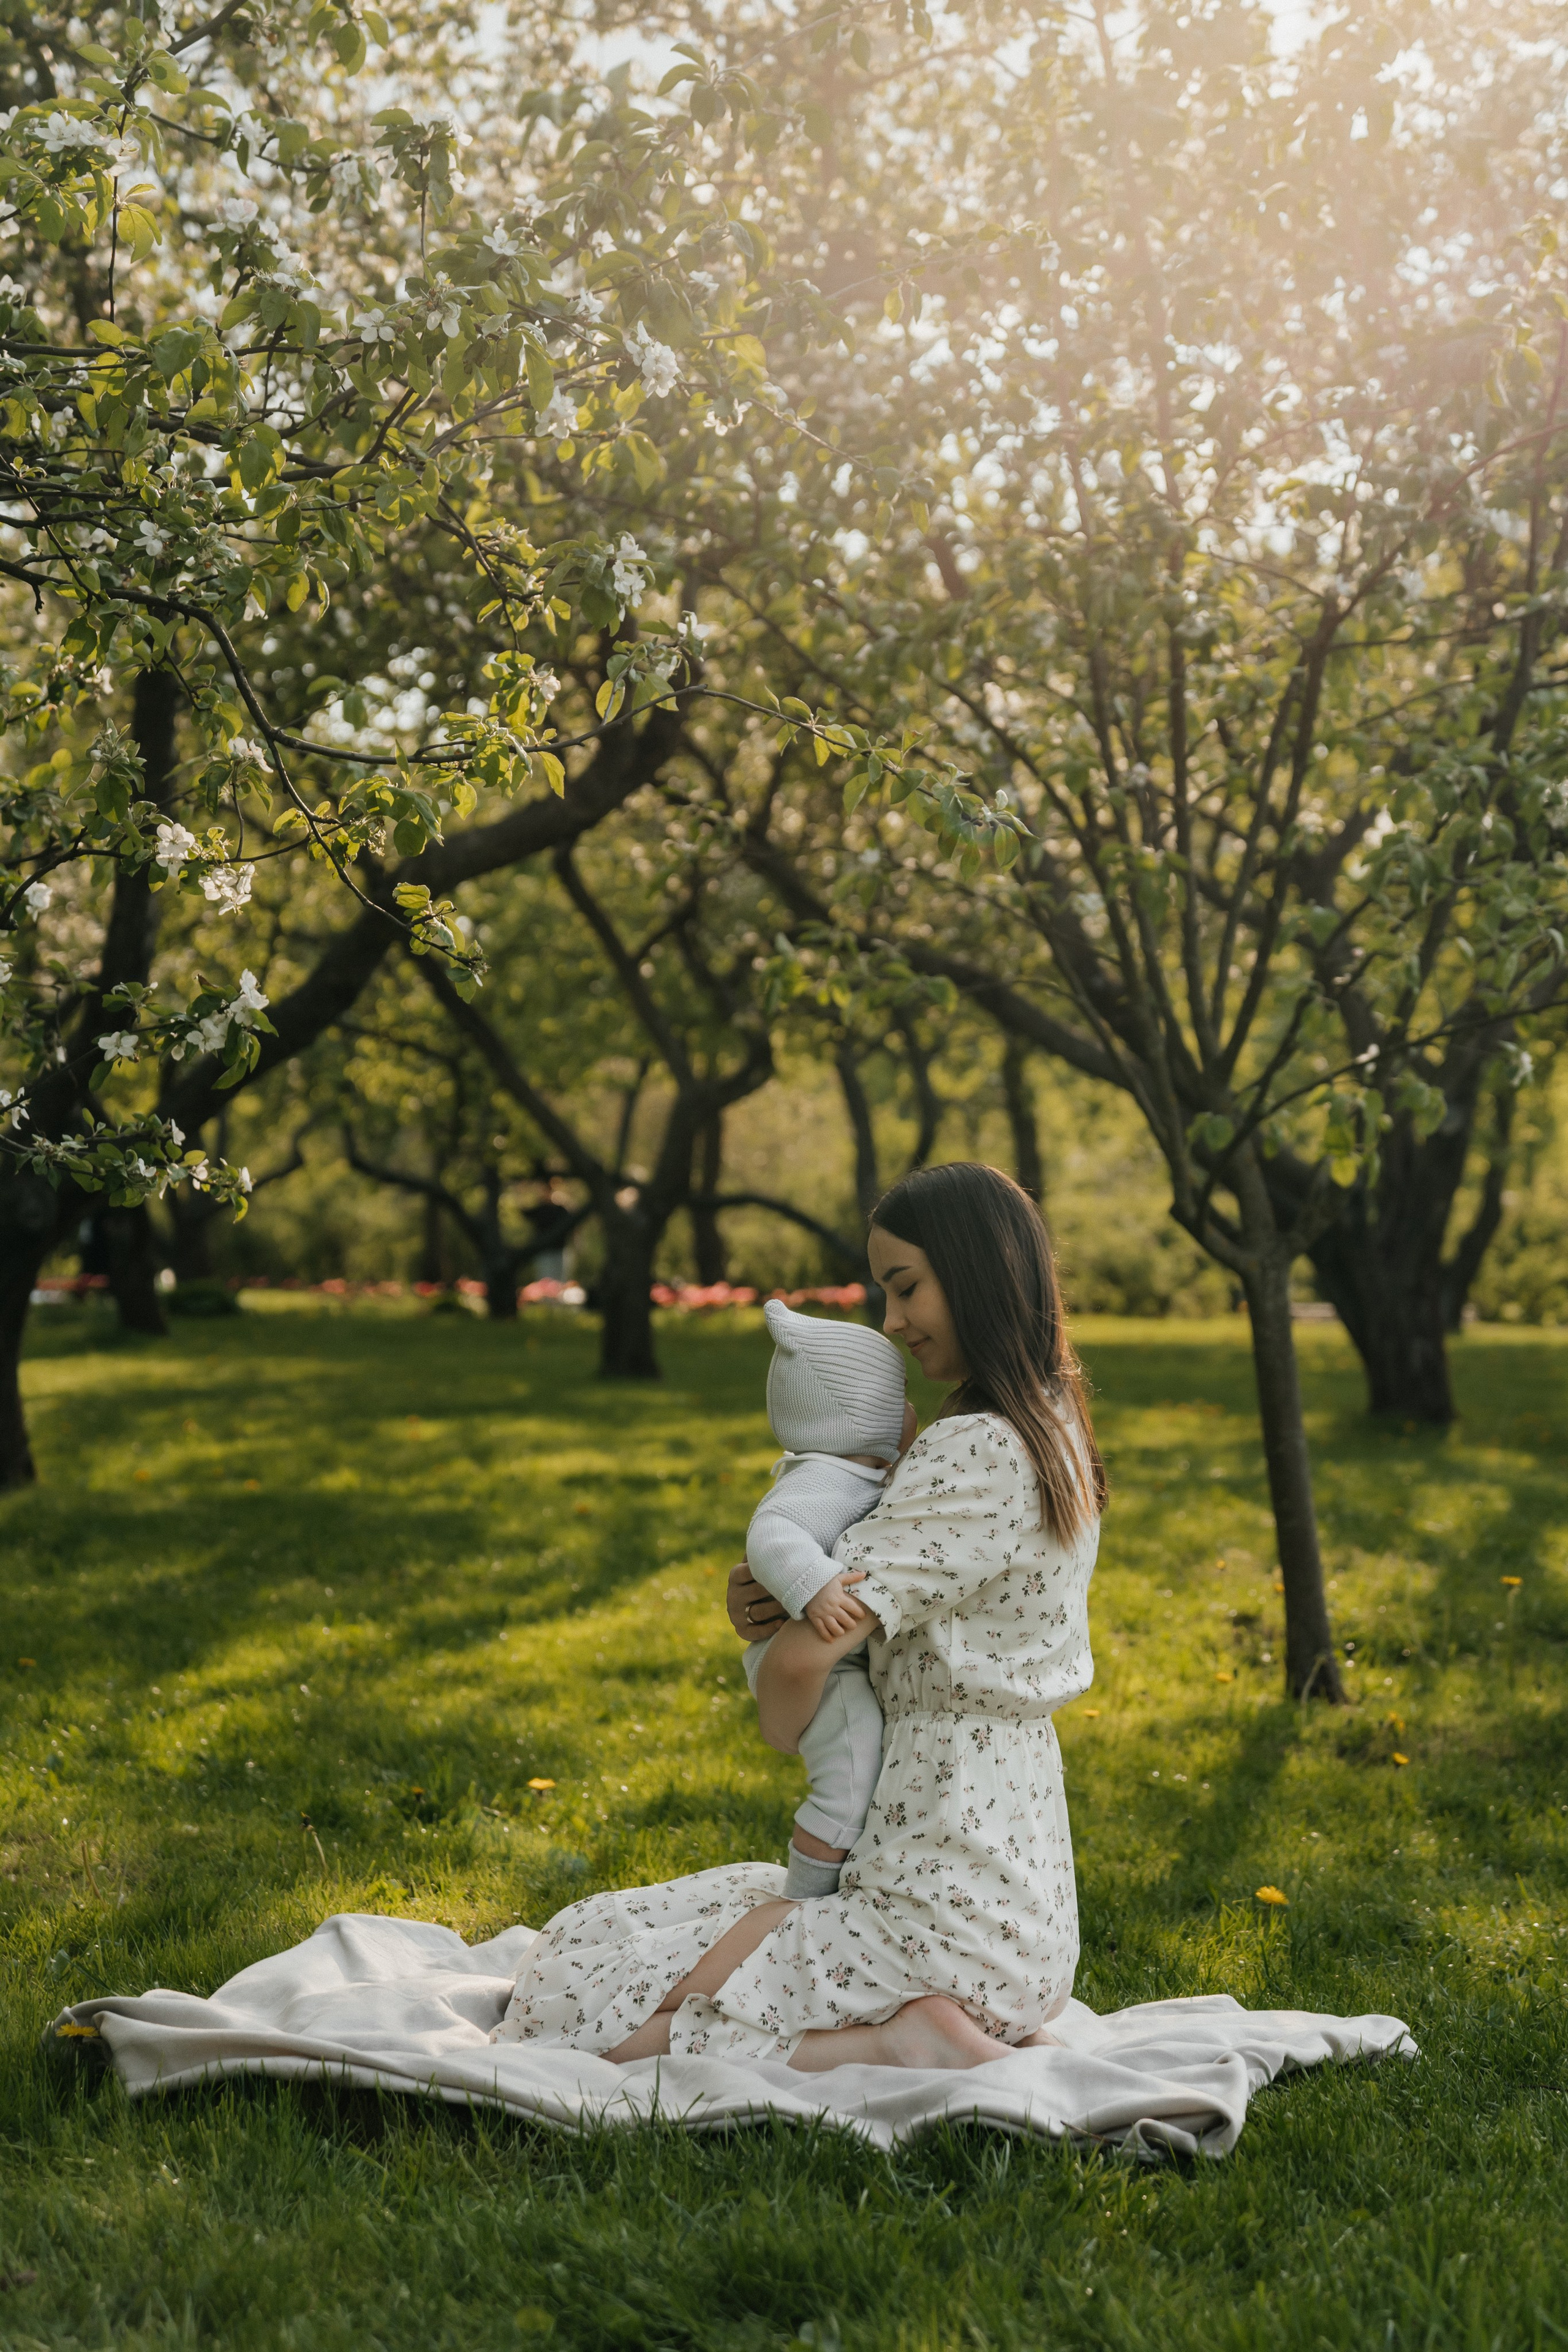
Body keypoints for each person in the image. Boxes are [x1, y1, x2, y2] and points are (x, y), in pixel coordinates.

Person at [492, 1161, 1106, 2073]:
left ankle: (908, 2034)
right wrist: (777, 1611)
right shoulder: (1052, 1428)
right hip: (1005, 1894)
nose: (892, 1324)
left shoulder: (976, 1448)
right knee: (636, 1934)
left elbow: (790, 1704)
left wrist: (778, 1645)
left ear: (982, 1273)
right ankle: (907, 2024)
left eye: (907, 1289)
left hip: (942, 1907)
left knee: (586, 2020)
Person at [742, 1298, 919, 1901]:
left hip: (837, 1661)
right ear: (859, 1414)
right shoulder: (821, 1478)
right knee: (847, 1784)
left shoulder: (861, 1474)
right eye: (896, 1396)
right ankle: (806, 1899)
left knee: (857, 1773)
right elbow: (771, 1535)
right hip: (828, 1668)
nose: (909, 1408)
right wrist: (812, 1585)